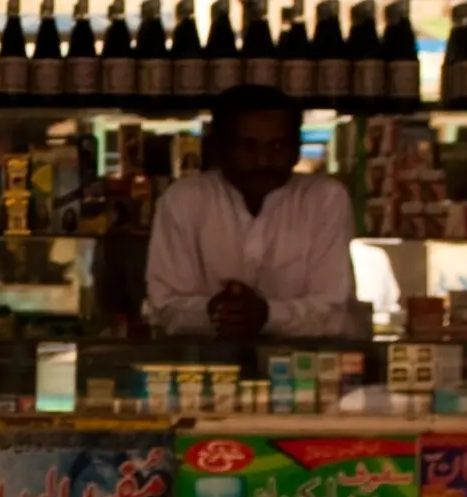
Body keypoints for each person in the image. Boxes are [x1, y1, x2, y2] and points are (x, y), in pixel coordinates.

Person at [146, 84, 355, 339]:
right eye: (247, 146)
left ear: (297, 148)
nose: (263, 160)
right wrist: (215, 311)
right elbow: (164, 308)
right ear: (218, 148)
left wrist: (265, 314)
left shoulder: (324, 199)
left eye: (277, 146)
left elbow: (334, 311)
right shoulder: (184, 200)